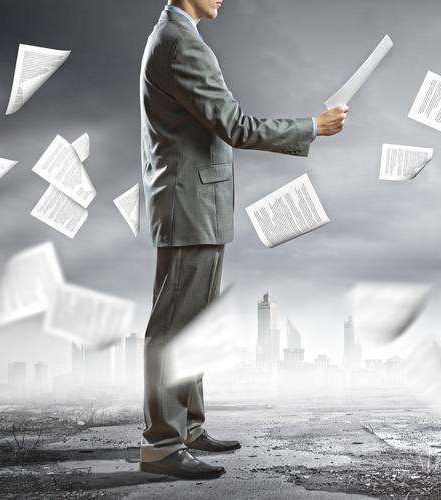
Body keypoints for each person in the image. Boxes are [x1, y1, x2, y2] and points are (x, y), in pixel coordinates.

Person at [138, 0, 347, 481]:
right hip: (190, 203)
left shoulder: (175, 36)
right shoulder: (180, 43)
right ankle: (162, 446)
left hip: (193, 201)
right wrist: (312, 126)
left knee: (189, 324)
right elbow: (235, 126)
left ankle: (186, 429)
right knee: (174, 326)